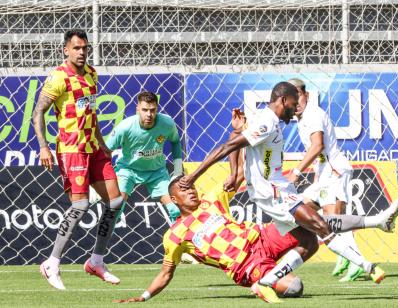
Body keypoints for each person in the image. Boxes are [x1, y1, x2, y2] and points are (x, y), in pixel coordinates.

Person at [178, 82, 398, 295]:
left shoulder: (268, 122)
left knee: (309, 241)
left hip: (280, 188)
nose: (294, 111)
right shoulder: (266, 122)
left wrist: (237, 146)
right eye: (292, 105)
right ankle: (369, 266)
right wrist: (194, 176)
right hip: (272, 192)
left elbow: (238, 142)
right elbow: (228, 147)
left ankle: (266, 282)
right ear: (283, 100)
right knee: (320, 225)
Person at [115, 174, 317, 304]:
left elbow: (236, 175)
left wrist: (237, 132)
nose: (191, 191)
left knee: (310, 237)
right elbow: (166, 273)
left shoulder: (210, 200)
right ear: (174, 199)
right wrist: (144, 296)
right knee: (295, 287)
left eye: (192, 187)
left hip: (261, 237)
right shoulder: (175, 235)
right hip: (245, 264)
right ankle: (265, 281)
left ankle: (271, 275)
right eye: (184, 190)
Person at [33, 29, 123, 290]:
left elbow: (90, 112)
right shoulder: (58, 77)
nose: (82, 52)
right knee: (80, 206)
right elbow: (38, 112)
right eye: (77, 48)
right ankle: (52, 262)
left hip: (93, 147)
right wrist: (43, 147)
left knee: (115, 200)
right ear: (66, 50)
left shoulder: (92, 74)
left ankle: (96, 260)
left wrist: (103, 143)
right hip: (72, 149)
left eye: (85, 48)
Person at [286, 78, 397, 281]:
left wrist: (297, 171)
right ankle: (348, 256)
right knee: (302, 211)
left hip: (334, 172)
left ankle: (356, 262)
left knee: (332, 220)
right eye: (293, 96)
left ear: (307, 95)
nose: (297, 101)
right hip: (323, 175)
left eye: (299, 95)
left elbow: (318, 146)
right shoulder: (302, 119)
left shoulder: (313, 114)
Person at [104, 91, 183, 223]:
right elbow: (105, 151)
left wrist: (178, 171)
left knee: (176, 209)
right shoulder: (125, 127)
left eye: (152, 110)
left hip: (156, 171)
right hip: (128, 170)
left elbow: (175, 142)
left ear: (157, 109)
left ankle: (179, 242)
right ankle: (102, 244)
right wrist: (102, 179)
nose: (149, 114)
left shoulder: (167, 123)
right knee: (115, 210)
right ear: (137, 109)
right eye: (145, 110)